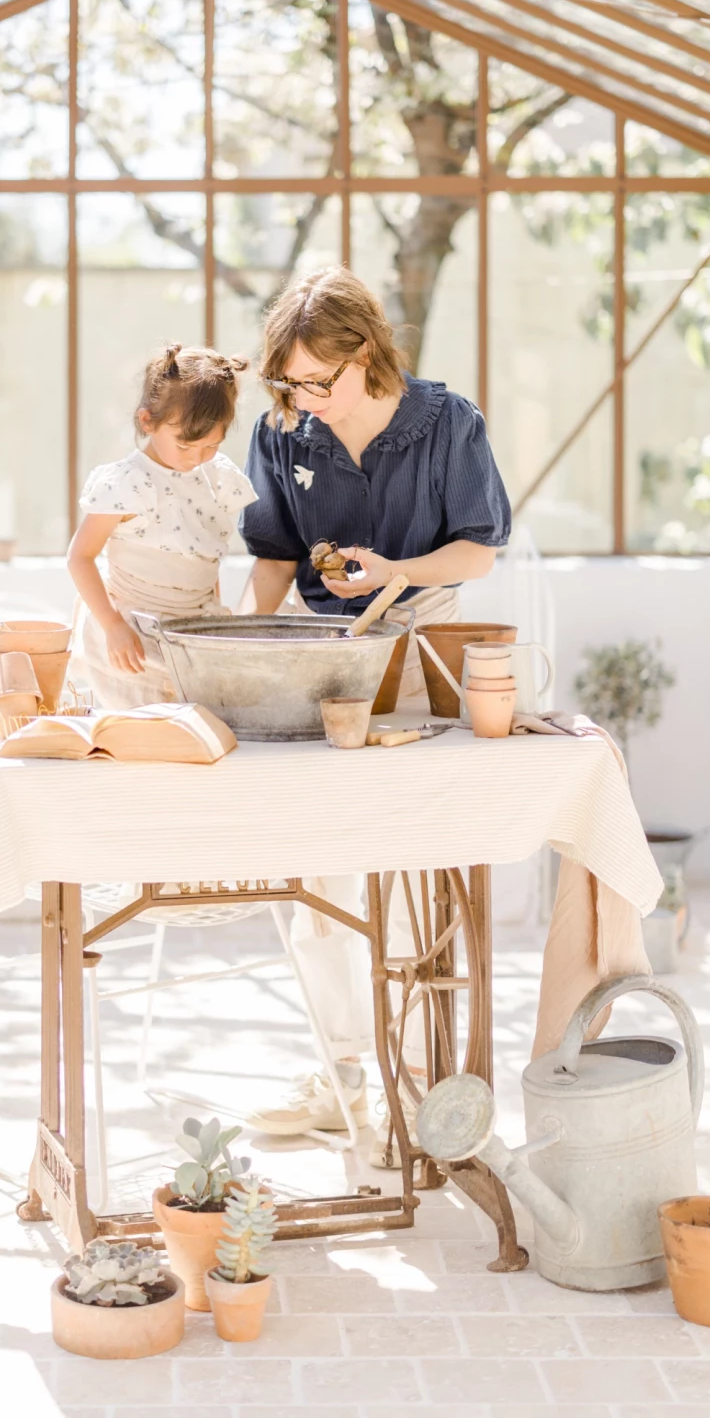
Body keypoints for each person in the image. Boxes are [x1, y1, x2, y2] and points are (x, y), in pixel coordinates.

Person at [238, 267, 511, 1158]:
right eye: (291, 383)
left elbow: (477, 551)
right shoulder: (283, 431)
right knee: (316, 868)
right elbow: (275, 555)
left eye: (321, 380)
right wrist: (241, 644)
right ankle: (344, 1069)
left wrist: (399, 572)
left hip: (425, 644)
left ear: (368, 354)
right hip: (324, 659)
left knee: (415, 859)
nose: (306, 399)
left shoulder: (448, 424)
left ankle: (423, 1076)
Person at [67, 344, 256, 709]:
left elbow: (204, 553)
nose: (197, 458)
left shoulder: (217, 478)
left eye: (211, 445)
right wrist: (112, 626)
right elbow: (80, 558)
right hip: (132, 637)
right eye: (186, 445)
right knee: (143, 738)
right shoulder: (126, 482)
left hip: (194, 636)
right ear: (147, 421)